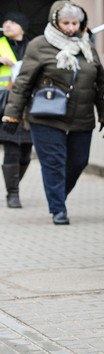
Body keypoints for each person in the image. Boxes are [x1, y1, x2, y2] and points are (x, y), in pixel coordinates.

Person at [1, 1, 104, 225]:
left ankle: (57, 195)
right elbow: (22, 83)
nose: (70, 28)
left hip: (82, 116)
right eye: (65, 23)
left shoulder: (87, 45)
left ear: (82, 23)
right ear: (55, 22)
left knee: (79, 162)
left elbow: (100, 83)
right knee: (54, 162)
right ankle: (58, 208)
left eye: (75, 23)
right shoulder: (40, 45)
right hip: (46, 116)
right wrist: (12, 114)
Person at [0, 12, 31, 208]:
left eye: (13, 22)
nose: (8, 25)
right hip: (4, 104)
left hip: (28, 106)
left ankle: (13, 183)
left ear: (23, 26)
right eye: (6, 22)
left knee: (26, 153)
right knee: (11, 148)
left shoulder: (34, 46)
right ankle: (13, 194)